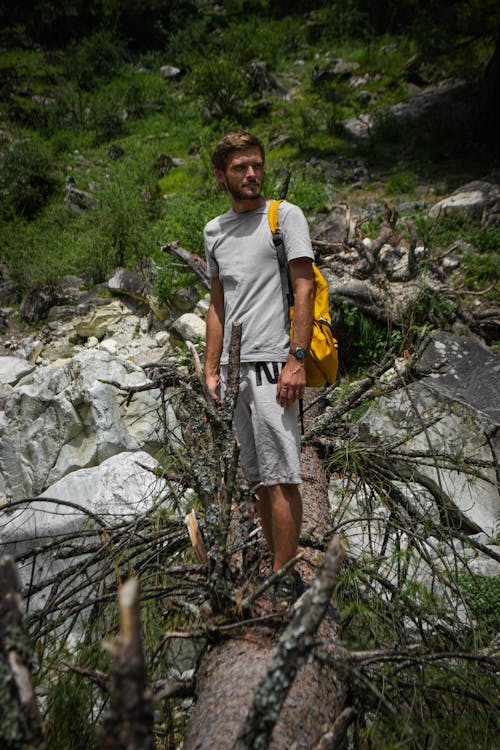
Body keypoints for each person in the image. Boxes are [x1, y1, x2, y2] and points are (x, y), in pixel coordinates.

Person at [203, 131, 314, 600]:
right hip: (234, 371)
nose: (251, 175)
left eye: (257, 166)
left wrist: (297, 359)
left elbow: (304, 288)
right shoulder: (214, 231)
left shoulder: (284, 216)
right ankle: (274, 570)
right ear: (220, 175)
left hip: (275, 364)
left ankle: (285, 582)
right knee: (257, 476)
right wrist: (211, 369)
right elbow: (217, 305)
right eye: (240, 168)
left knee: (283, 474)